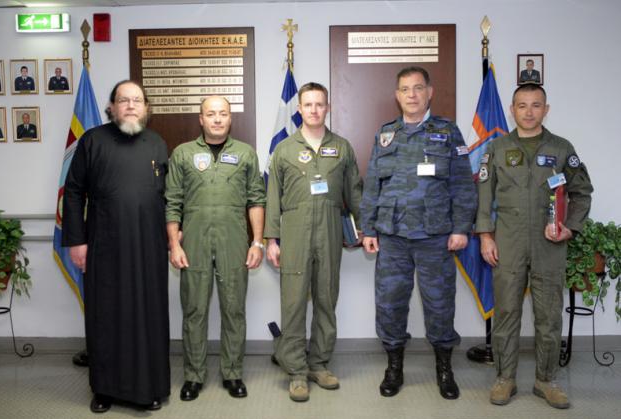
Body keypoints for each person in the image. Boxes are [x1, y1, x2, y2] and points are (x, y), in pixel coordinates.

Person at [360, 66, 476, 400]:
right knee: (390, 303)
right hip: (392, 236)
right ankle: (394, 367)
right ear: (397, 95)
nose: (411, 95)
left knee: (440, 304)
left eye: (418, 88)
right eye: (405, 89)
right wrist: (369, 228)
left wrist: (461, 228)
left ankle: (444, 368)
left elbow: (462, 184)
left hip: (435, 236)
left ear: (429, 92)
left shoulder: (448, 132)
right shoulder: (386, 134)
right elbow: (373, 185)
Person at [476, 83, 593, 409]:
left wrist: (570, 228)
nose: (529, 112)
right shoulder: (497, 148)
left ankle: (546, 380)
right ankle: (505, 378)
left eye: (536, 105)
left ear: (546, 109)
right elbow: (484, 194)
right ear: (512, 110)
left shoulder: (561, 148)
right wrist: (485, 235)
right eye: (522, 105)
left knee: (549, 317)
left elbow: (582, 192)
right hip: (508, 243)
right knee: (506, 314)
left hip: (549, 245)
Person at [62, 80, 171, 413]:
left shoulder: (157, 143)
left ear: (146, 108)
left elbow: (168, 196)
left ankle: (151, 388)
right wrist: (76, 241)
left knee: (149, 315)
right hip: (104, 245)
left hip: (149, 247)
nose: (131, 105)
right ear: (112, 107)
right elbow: (74, 191)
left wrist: (173, 237)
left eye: (137, 100)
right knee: (106, 316)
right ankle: (104, 389)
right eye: (124, 100)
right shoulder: (92, 141)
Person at [265, 82, 363, 402]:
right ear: (299, 109)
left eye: (320, 104)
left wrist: (365, 228)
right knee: (293, 303)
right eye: (308, 105)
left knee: (326, 298)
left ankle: (319, 363)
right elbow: (272, 198)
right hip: (294, 232)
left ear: (328, 108)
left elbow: (355, 192)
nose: (314, 110)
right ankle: (296, 370)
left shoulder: (342, 147)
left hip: (330, 231)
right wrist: (272, 240)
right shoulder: (284, 149)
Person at [165, 96, 266, 402]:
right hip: (193, 243)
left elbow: (256, 199)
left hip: (233, 242)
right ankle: (193, 376)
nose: (218, 119)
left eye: (223, 113)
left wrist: (257, 242)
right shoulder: (183, 154)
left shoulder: (246, 153)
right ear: (201, 119)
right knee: (194, 310)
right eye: (211, 114)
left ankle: (232, 373)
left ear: (230, 118)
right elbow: (172, 202)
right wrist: (174, 244)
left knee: (234, 310)